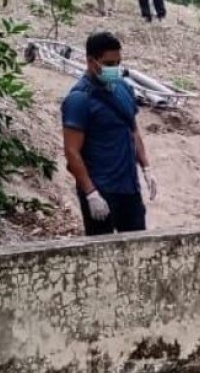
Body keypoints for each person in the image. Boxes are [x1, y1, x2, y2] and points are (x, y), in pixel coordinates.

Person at [62, 32, 157, 236]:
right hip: (101, 188)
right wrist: (90, 193)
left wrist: (146, 167)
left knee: (137, 248)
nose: (114, 69)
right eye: (109, 63)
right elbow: (71, 151)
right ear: (91, 61)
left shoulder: (123, 89)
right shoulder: (79, 99)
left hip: (128, 187)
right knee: (101, 253)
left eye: (118, 63)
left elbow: (133, 130)